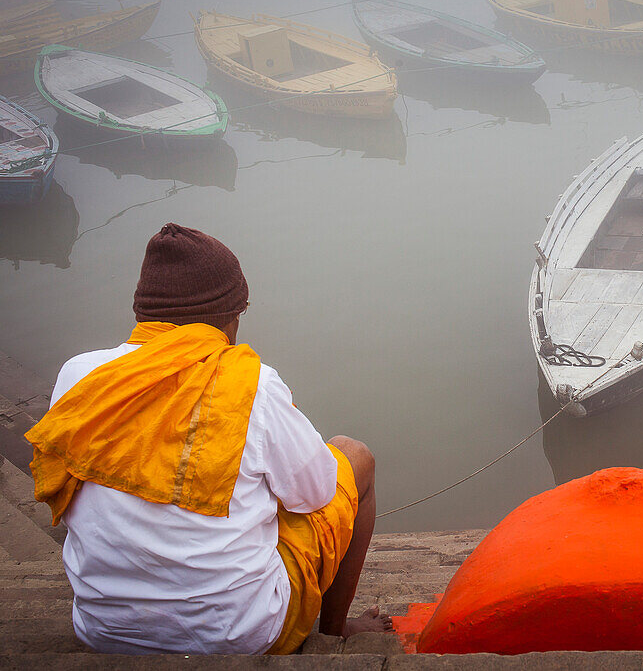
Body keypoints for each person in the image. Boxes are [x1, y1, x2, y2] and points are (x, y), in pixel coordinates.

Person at [25, 223, 391, 654]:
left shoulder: (78, 376)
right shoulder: (251, 385)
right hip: (238, 635)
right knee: (355, 456)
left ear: (143, 312)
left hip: (103, 629)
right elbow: (315, 494)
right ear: (229, 317)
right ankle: (331, 632)